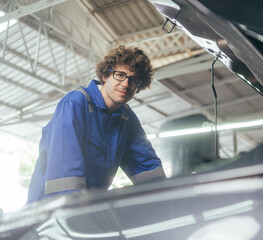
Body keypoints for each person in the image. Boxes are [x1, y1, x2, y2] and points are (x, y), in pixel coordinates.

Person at [27, 45, 166, 204]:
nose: (126, 84)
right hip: (50, 210)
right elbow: (65, 173)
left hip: (89, 209)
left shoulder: (127, 120)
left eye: (133, 80)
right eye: (120, 75)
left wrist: (168, 199)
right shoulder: (75, 104)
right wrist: (77, 211)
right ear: (106, 75)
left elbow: (147, 168)